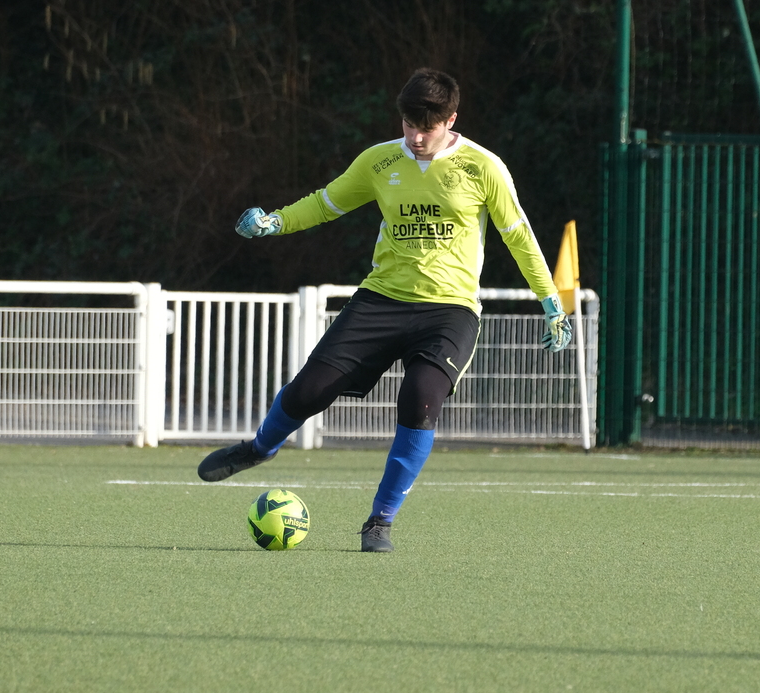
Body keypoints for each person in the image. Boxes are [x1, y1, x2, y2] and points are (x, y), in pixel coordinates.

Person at [197, 68, 571, 551]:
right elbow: (326, 203)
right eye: (409, 125)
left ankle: (380, 521)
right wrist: (276, 222)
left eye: (427, 128)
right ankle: (259, 447)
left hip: (450, 310)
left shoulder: (484, 167)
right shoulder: (379, 161)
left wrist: (551, 302)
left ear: (451, 120)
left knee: (420, 398)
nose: (416, 137)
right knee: (309, 391)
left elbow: (518, 236)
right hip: (380, 299)